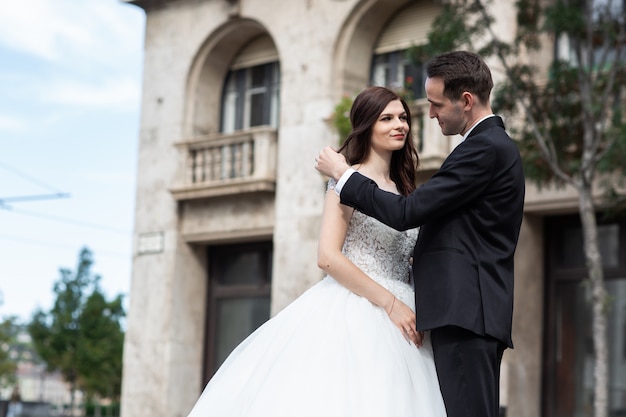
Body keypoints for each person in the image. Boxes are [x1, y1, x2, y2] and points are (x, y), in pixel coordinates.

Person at [185, 86, 446, 417]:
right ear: (367, 125)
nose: (400, 125)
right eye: (387, 118)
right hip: (360, 309)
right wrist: (391, 304)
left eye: (403, 117)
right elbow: (327, 257)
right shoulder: (344, 182)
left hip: (408, 312)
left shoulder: (406, 189)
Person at [316, 50, 525, 417]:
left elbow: (406, 214)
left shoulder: (484, 148)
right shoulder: (485, 147)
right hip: (441, 315)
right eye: (388, 117)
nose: (426, 115)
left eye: (434, 104)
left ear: (466, 100)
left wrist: (343, 173)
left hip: (464, 314)